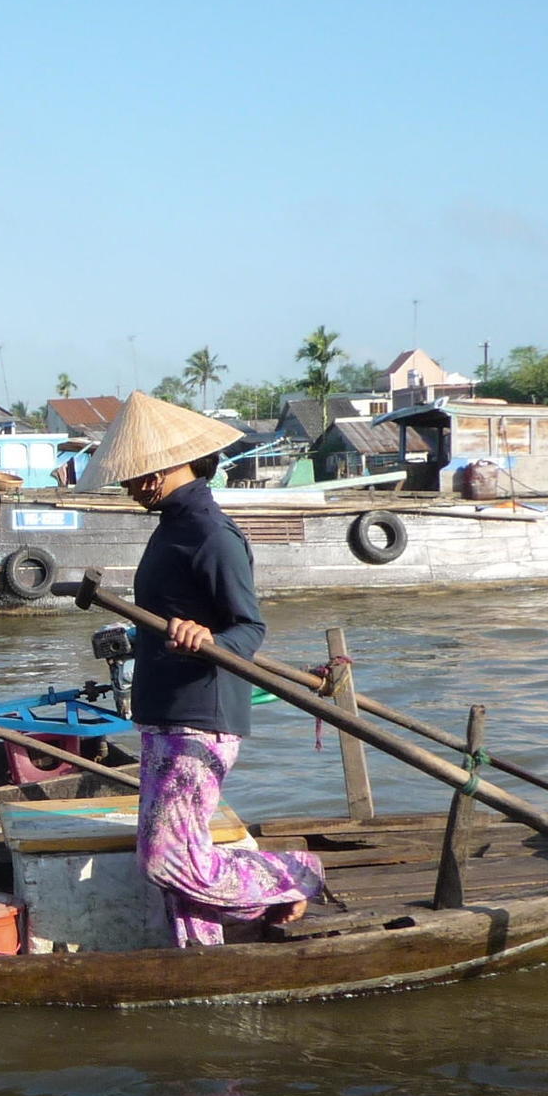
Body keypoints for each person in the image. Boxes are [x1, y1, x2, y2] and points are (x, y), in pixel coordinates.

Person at [77, 392, 325, 946]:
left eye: (150, 472)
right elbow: (170, 616)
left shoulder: (213, 533)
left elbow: (249, 629)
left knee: (165, 862)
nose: (139, 484)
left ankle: (293, 875)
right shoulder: (170, 525)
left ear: (187, 463)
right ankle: (200, 951)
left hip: (200, 717)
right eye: (132, 476)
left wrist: (210, 638)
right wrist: (140, 636)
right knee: (177, 860)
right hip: (162, 711)